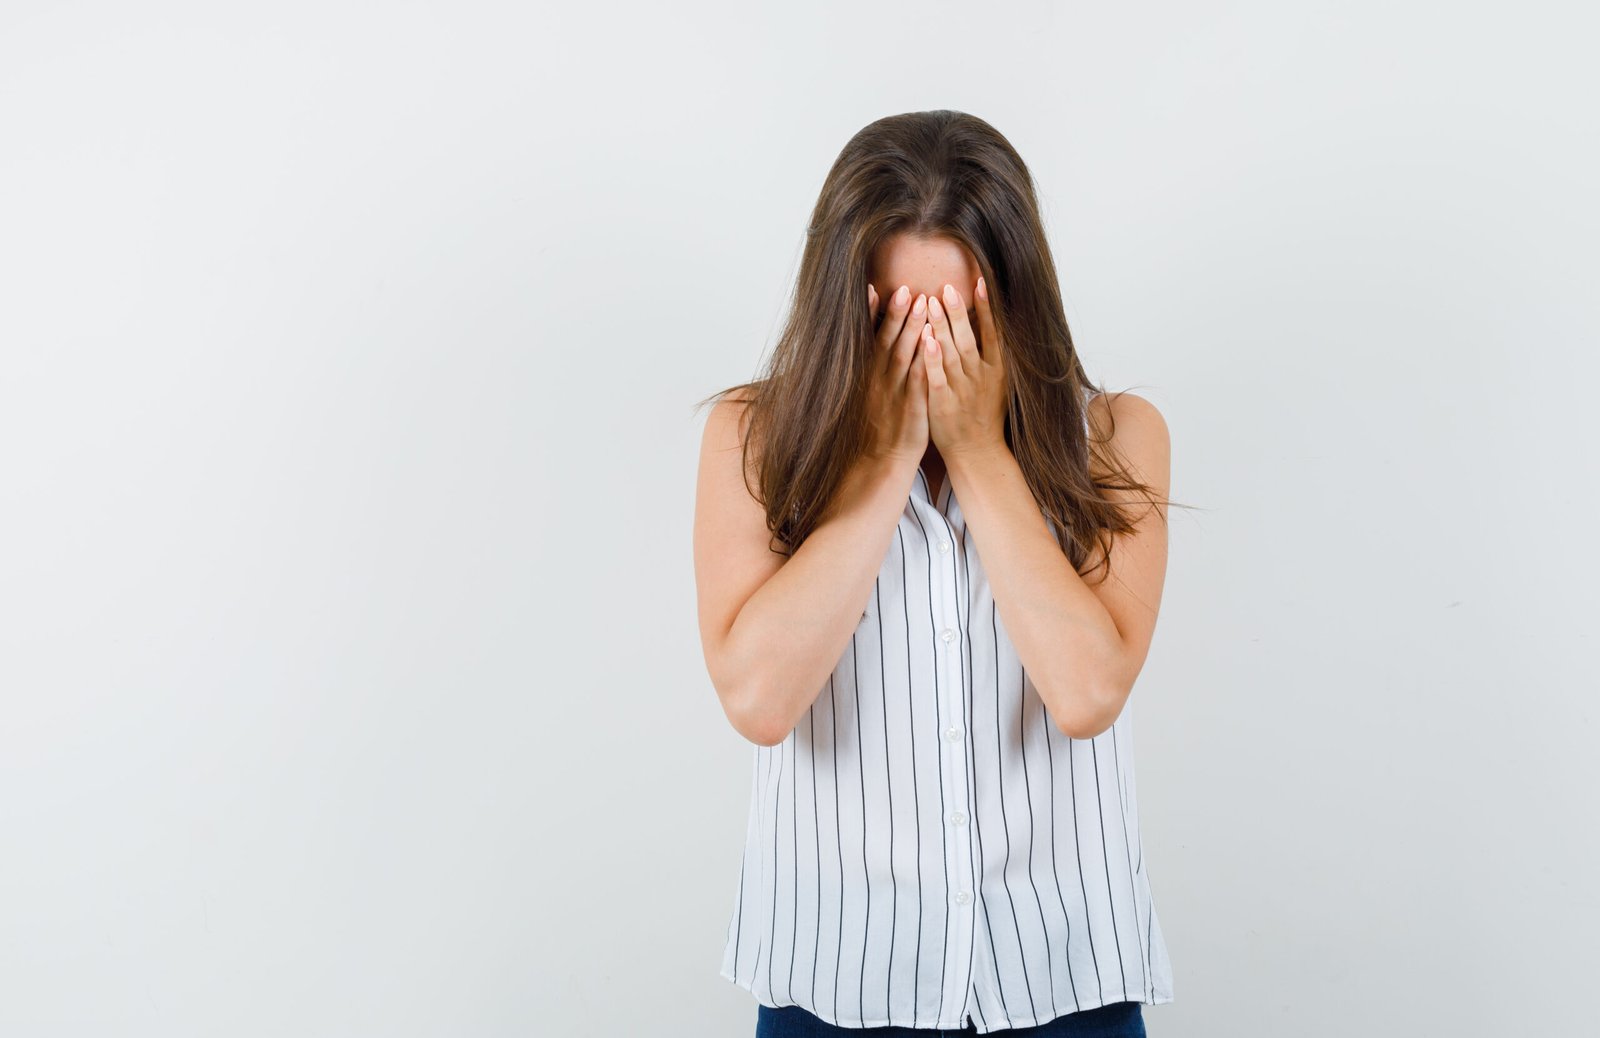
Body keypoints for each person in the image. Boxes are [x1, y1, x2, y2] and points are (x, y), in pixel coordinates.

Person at [692, 110, 1177, 1037]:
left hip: (1062, 977)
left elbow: (1086, 693)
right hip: (834, 976)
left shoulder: (1119, 435)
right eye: (898, 326)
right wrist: (879, 465)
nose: (928, 356)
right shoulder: (750, 437)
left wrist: (980, 453)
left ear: (1013, 307)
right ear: (846, 311)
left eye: (954, 323)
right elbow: (758, 700)